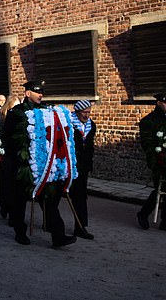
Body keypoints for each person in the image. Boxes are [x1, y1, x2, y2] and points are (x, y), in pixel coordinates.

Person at [1, 80, 76, 248]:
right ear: (28, 93)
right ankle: (20, 232)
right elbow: (7, 137)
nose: (41, 94)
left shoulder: (46, 112)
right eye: (37, 92)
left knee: (48, 200)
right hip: (23, 166)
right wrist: (20, 156)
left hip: (43, 166)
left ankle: (58, 235)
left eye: (41, 91)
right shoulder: (17, 112)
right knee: (20, 201)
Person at [137, 92, 166, 233]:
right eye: (165, 102)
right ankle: (143, 214)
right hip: (159, 160)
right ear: (158, 103)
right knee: (160, 189)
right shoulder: (149, 121)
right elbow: (147, 144)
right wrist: (156, 160)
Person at [70, 99, 96, 240]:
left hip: (83, 167)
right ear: (77, 112)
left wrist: (89, 164)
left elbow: (90, 147)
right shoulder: (69, 124)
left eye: (88, 112)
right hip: (69, 165)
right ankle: (50, 222)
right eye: (83, 113)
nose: (86, 115)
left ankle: (80, 226)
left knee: (80, 195)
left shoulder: (91, 126)